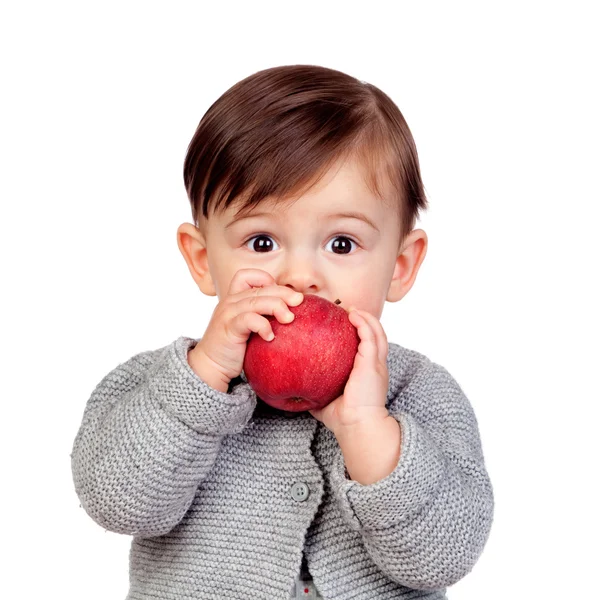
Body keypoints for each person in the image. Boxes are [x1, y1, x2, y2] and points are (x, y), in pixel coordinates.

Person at [71, 64, 494, 600]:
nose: (299, 276)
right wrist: (204, 379)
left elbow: (443, 557)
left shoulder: (422, 395)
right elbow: (117, 502)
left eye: (342, 244)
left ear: (401, 265)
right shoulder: (166, 386)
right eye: (262, 242)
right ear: (203, 260)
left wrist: (367, 428)